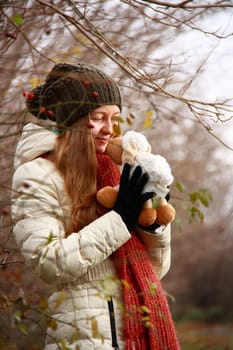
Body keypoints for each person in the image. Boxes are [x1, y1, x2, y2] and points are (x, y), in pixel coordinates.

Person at [11, 63, 180, 350]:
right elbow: (48, 263)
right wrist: (121, 218)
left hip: (139, 327)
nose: (109, 129)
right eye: (97, 117)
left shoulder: (114, 170)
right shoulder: (37, 174)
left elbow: (154, 270)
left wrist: (151, 223)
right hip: (83, 336)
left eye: (113, 118)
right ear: (72, 119)